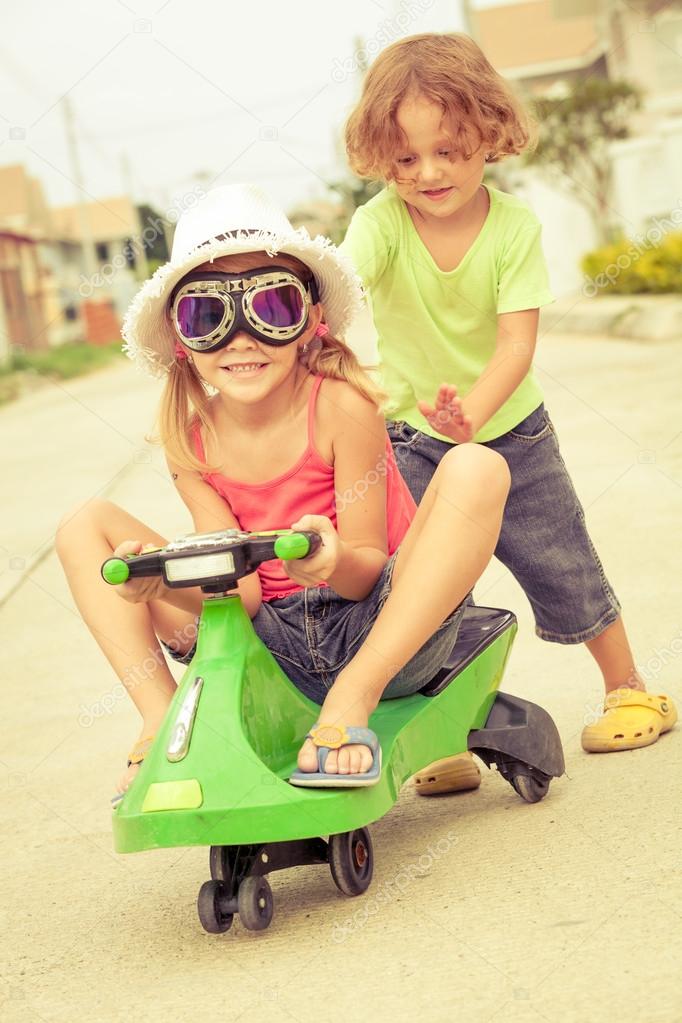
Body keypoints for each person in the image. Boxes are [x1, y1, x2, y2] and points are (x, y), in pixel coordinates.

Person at [56, 183, 511, 802]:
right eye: (208, 316)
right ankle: (161, 720)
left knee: (477, 468)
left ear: (310, 321)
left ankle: (352, 699)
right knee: (84, 526)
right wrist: (160, 583)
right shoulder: (192, 440)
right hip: (272, 653)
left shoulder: (341, 409)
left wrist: (330, 562)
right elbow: (237, 597)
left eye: (270, 308)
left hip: (378, 631)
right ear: (183, 340)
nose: (242, 340)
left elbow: (363, 573)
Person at [340, 32, 677, 794]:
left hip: (512, 433)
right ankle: (439, 730)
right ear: (379, 157)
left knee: (562, 559)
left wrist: (474, 414)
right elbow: (339, 292)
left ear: (489, 134)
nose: (428, 173)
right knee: (425, 588)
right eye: (405, 158)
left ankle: (628, 686)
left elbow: (516, 344)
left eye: (449, 151)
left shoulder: (513, 227)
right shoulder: (380, 225)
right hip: (413, 441)